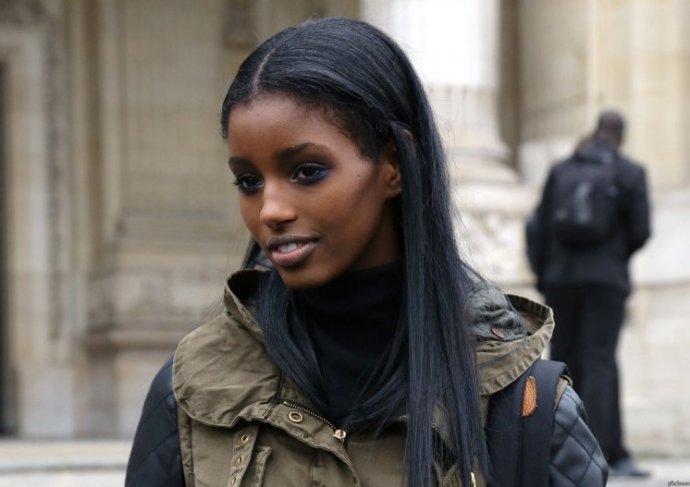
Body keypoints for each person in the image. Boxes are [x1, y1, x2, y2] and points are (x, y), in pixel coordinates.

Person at [126, 17, 607, 486]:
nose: (270, 209)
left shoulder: (524, 406)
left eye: (306, 171)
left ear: (394, 163)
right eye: (249, 181)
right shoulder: (191, 390)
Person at [529, 110, 651, 478]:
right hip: (605, 279)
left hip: (561, 278)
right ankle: (600, 454)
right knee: (600, 361)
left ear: (595, 132)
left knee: (562, 361)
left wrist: (545, 274)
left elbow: (538, 227)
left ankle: (559, 451)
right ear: (621, 137)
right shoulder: (630, 172)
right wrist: (614, 257)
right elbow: (641, 230)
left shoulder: (561, 170)